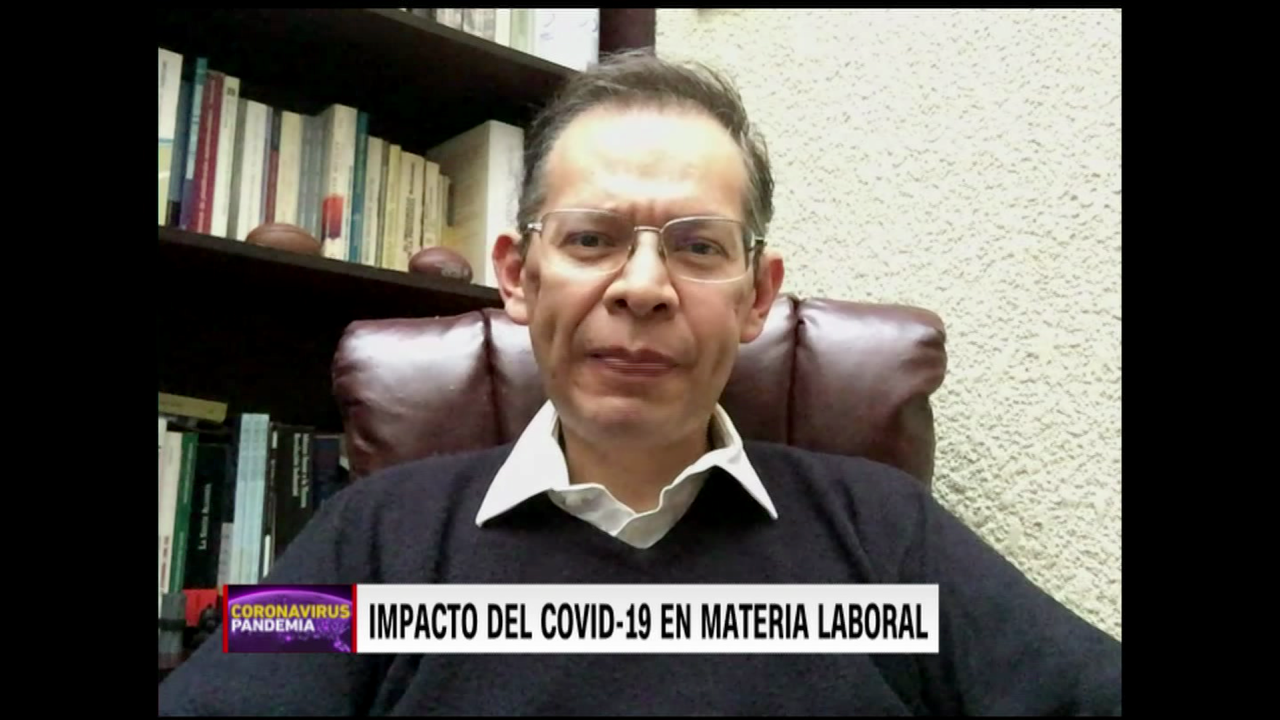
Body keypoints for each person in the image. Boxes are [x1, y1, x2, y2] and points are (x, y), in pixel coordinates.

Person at [158, 49, 1121, 715]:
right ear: (518, 274)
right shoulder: (368, 536)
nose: (645, 288)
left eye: (699, 248)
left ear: (757, 296)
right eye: (590, 239)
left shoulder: (890, 536)